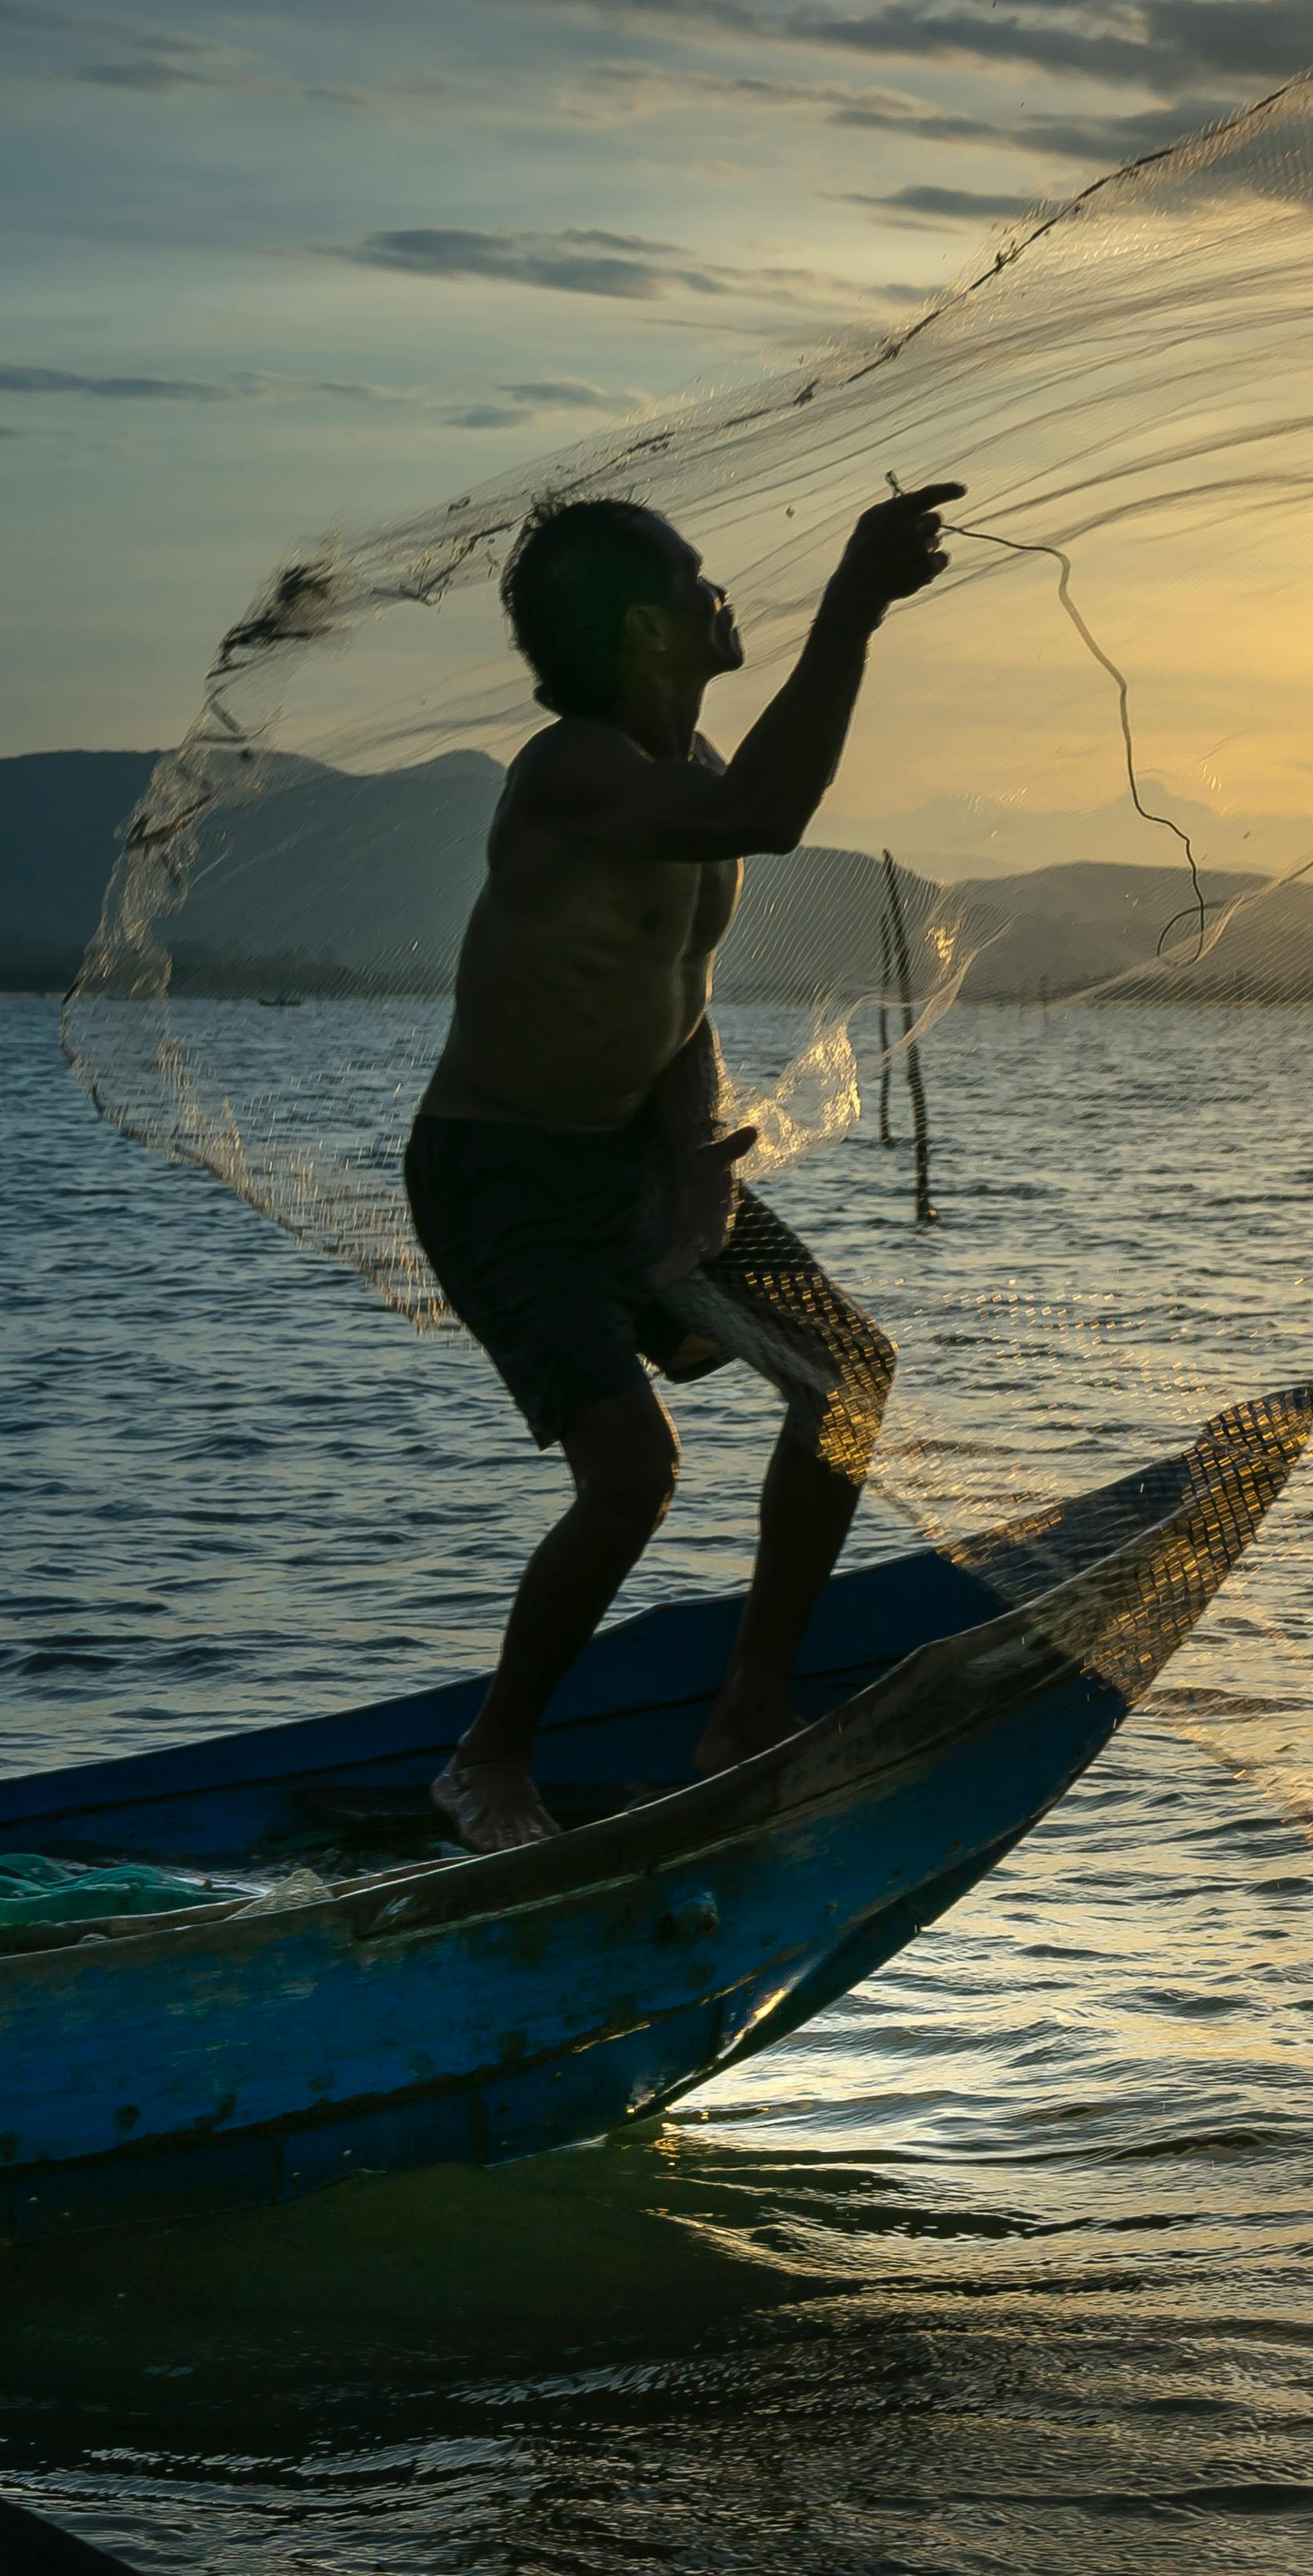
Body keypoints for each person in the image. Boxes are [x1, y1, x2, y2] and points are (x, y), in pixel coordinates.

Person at [402, 481, 958, 1853]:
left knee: (847, 1372)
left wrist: (695, 1161)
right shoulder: (573, 772)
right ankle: (487, 1763)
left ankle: (746, 1709)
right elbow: (776, 812)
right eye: (702, 582)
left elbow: (674, 1001)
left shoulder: (685, 787)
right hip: (502, 1178)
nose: (725, 598)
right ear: (648, 631)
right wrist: (853, 603)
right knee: (632, 1477)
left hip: (638, 1165)